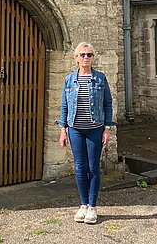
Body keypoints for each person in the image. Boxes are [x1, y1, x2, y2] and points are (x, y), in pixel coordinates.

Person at [58, 42, 114, 224]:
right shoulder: (69, 79)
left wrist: (107, 128)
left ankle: (92, 207)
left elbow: (107, 104)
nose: (86, 58)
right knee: (80, 168)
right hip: (75, 129)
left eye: (89, 55)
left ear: (93, 57)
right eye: (82, 55)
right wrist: (63, 130)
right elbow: (65, 106)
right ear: (76, 58)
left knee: (93, 168)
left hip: (95, 129)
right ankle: (83, 205)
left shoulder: (100, 78)